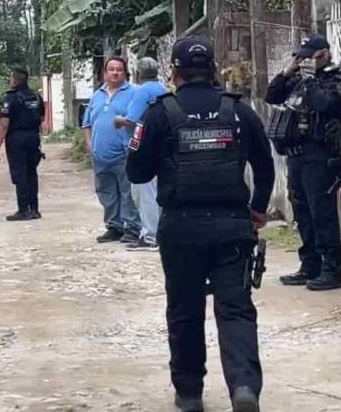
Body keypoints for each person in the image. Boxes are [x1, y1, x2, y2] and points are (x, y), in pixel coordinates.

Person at [127, 36, 274, 412]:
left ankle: (190, 394)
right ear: (213, 68)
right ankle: (243, 387)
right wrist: (257, 209)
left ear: (174, 72)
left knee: (184, 308)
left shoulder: (160, 114)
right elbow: (265, 165)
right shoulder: (238, 112)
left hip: (181, 228)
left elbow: (137, 172)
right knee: (236, 308)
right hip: (232, 226)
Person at [265, 34, 341, 291]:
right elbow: (272, 96)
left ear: (323, 54)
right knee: (302, 214)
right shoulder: (297, 79)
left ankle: (333, 267)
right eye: (300, 56)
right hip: (296, 156)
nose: (304, 60)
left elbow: (326, 105)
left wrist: (310, 80)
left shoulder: (334, 79)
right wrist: (287, 72)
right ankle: (310, 264)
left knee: (322, 214)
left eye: (308, 55)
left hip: (320, 156)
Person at [82, 56, 143, 244]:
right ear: (104, 73)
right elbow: (86, 124)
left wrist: (134, 147)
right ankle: (114, 227)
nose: (115, 72)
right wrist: (90, 146)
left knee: (128, 193)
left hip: (124, 154)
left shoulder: (134, 93)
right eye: (111, 69)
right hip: (100, 156)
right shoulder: (97, 95)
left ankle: (132, 228)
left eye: (119, 69)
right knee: (106, 193)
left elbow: (140, 121)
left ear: (125, 73)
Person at [115, 57, 168, 250]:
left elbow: (132, 120)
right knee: (158, 192)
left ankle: (150, 235)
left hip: (143, 146)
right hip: (162, 146)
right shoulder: (163, 89)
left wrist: (118, 120)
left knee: (143, 193)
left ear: (137, 74)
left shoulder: (141, 91)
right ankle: (160, 233)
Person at [0, 65, 45, 221]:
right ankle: (34, 209)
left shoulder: (11, 97)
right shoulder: (35, 96)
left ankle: (23, 209)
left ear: (14, 80)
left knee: (20, 174)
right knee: (31, 172)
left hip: (17, 139)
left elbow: (4, 124)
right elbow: (41, 118)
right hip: (33, 137)